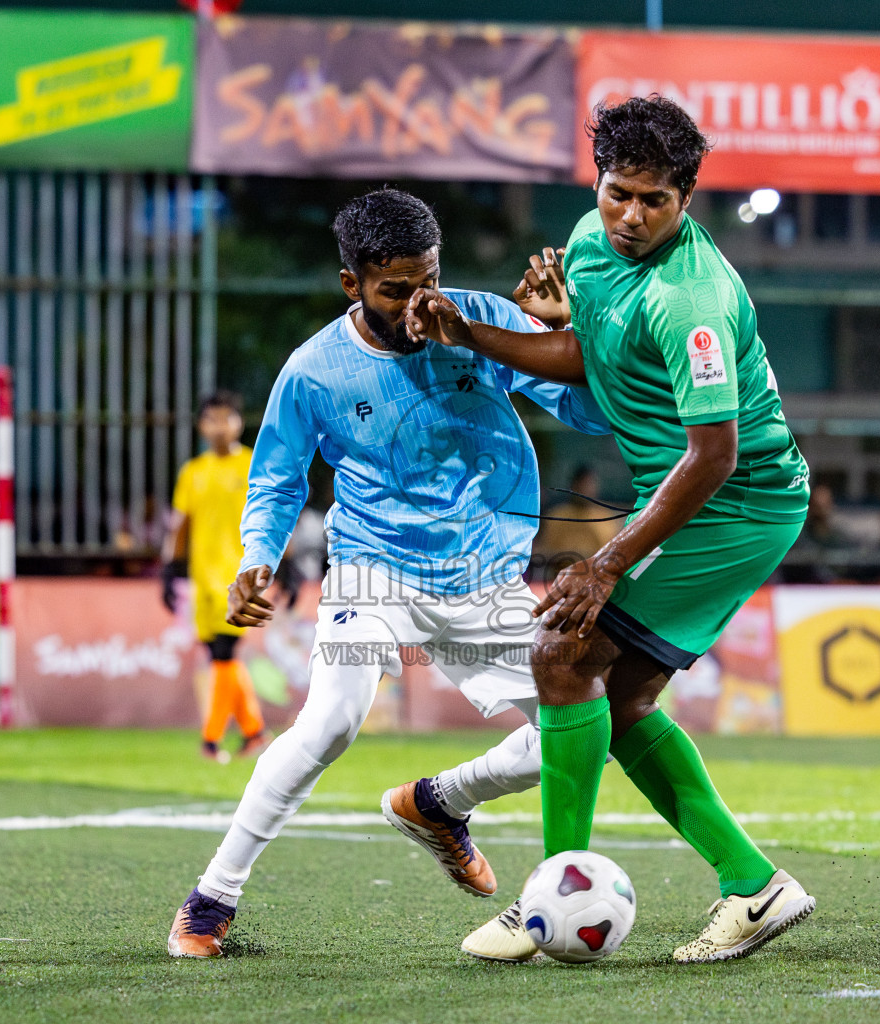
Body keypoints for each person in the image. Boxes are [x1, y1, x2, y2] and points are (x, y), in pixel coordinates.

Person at [406, 95, 815, 964]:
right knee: (617, 698)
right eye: (616, 190)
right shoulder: (592, 246)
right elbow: (586, 356)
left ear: (689, 196)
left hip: (735, 502)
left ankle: (549, 892)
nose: (629, 215)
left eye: (652, 200)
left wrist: (606, 561)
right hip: (691, 494)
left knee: (561, 652)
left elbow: (714, 455)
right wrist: (473, 334)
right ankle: (755, 886)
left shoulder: (691, 298)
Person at [166, 188, 611, 958]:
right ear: (353, 285)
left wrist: (566, 332)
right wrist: (256, 561)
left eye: (427, 281)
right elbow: (275, 480)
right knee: (332, 721)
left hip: (484, 576)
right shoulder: (314, 371)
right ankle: (211, 898)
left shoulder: (478, 320)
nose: (417, 305)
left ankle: (438, 803)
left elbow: (593, 417)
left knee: (577, 737)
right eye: (394, 289)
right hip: (373, 572)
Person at [161, 393, 269, 762]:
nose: (220, 426)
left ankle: (211, 739)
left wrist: (284, 563)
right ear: (201, 426)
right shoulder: (193, 471)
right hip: (202, 578)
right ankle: (254, 733)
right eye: (211, 419)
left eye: (227, 418)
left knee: (224, 652)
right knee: (219, 656)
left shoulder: (253, 463)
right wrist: (168, 569)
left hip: (239, 577)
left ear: (239, 423)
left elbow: (274, 513)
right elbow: (180, 524)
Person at [530, 464, 621, 575]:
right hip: (561, 580)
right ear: (573, 486)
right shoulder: (556, 516)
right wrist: (570, 557)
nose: (586, 489)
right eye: (582, 484)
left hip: (596, 581)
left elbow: (613, 556)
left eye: (590, 484)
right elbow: (541, 554)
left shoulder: (607, 518)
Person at [781, 482, 857, 583]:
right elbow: (807, 565)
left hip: (835, 588)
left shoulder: (839, 537)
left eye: (825, 504)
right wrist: (831, 581)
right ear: (810, 506)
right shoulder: (798, 537)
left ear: (831, 505)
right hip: (806, 587)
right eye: (817, 505)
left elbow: (849, 562)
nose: (821, 509)